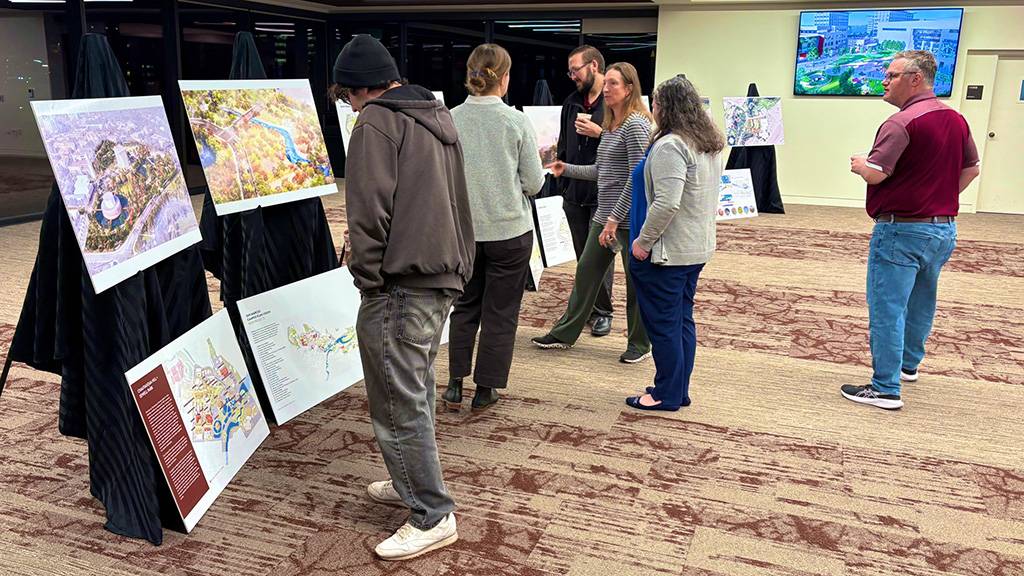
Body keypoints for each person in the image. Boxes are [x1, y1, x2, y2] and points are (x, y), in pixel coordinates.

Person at [331, 34, 475, 560]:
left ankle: (432, 513)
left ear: (358, 89)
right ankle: (410, 481)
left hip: (400, 282)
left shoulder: (374, 121)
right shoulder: (435, 115)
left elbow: (368, 210)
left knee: (397, 395)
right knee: (412, 390)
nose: (348, 106)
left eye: (346, 95)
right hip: (442, 274)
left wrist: (367, 277)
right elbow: (462, 198)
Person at [842, 50, 980, 410]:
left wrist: (859, 165)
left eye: (891, 76)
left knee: (888, 307)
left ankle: (885, 388)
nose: (884, 82)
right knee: (922, 300)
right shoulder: (956, 119)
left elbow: (877, 172)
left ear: (916, 79)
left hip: (901, 231)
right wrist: (938, 197)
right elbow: (972, 169)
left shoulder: (900, 123)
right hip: (942, 229)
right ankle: (907, 366)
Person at [603, 76, 724, 410]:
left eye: (654, 103)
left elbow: (667, 203)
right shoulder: (706, 142)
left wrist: (642, 242)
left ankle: (665, 394)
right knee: (681, 320)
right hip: (694, 248)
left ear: (665, 106)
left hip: (667, 252)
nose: (652, 108)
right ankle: (676, 387)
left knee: (664, 325)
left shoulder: (672, 145)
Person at [445, 44, 545, 410]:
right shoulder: (516, 121)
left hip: (464, 233)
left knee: (464, 306)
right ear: (504, 78)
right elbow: (534, 183)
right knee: (501, 313)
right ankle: (486, 389)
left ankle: (454, 383)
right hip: (510, 232)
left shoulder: (450, 118)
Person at [532, 62, 652, 364]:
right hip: (606, 215)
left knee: (637, 285)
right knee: (586, 273)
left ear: (628, 89)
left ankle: (639, 343)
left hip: (628, 220)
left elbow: (636, 178)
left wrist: (614, 218)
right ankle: (564, 333)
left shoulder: (636, 124)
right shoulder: (613, 124)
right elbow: (604, 171)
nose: (607, 89)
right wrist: (566, 169)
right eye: (606, 83)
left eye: (613, 84)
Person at [557, 45, 615, 337]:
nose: (572, 76)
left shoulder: (616, 102)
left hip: (605, 193)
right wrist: (562, 184)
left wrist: (600, 133)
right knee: (582, 255)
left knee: (600, 254)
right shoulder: (570, 102)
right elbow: (563, 143)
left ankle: (604, 311)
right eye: (569, 71)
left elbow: (629, 146)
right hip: (574, 192)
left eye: (575, 70)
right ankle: (588, 307)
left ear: (593, 66)